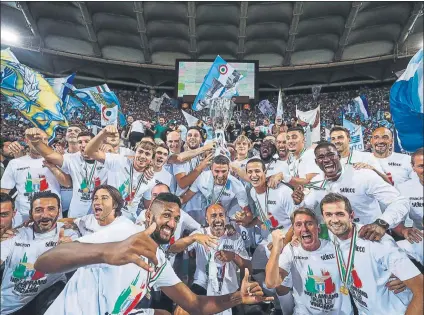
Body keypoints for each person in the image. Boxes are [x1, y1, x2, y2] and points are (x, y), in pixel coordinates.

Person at [35, 193, 272, 315]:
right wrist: (107, 252)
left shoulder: (156, 259)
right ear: (149, 216)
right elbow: (45, 262)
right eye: (166, 215)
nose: (172, 223)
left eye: (177, 219)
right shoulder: (123, 230)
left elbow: (195, 305)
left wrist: (238, 298)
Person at [320, 193, 423, 315]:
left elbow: (421, 290)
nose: (335, 220)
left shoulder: (375, 241)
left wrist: (406, 276)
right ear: (323, 218)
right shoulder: (332, 237)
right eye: (329, 215)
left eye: (340, 214)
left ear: (351, 215)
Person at [292, 141, 409, 241]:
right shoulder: (317, 182)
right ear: (317, 162)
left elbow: (400, 201)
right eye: (321, 157)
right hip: (338, 244)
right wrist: (299, 202)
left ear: (339, 156)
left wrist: (382, 223)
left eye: (330, 155)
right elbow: (308, 211)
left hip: (371, 238)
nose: (326, 160)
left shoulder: (363, 175)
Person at [1, 191, 78, 315]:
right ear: (31, 214)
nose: (45, 215)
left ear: (59, 211)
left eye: (51, 209)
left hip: (46, 298)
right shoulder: (16, 235)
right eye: (38, 210)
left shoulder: (68, 234)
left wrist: (69, 250)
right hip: (10, 307)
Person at [265, 208, 353, 315]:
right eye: (298, 225)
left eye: (309, 223)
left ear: (318, 229)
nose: (304, 229)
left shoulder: (336, 248)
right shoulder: (291, 250)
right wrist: (276, 249)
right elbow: (271, 283)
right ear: (294, 231)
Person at [171, 203, 252, 315]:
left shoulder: (235, 237)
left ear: (226, 217)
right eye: (213, 216)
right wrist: (193, 238)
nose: (218, 219)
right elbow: (173, 248)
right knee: (181, 311)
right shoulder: (200, 234)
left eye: (221, 215)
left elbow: (248, 267)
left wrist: (233, 256)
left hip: (228, 287)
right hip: (203, 283)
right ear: (207, 219)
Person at [25, 128, 108, 218]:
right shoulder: (72, 158)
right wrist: (36, 142)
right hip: (76, 214)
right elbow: (49, 155)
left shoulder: (107, 159)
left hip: (100, 213)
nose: (83, 145)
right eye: (80, 142)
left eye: (87, 141)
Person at [84, 125, 156, 222]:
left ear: (151, 159)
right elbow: (89, 152)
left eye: (147, 154)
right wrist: (102, 133)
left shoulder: (150, 178)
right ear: (135, 152)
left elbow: (147, 203)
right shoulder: (119, 161)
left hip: (128, 221)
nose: (142, 156)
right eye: (140, 152)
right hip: (107, 216)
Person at [1, 128, 70, 226]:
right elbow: (4, 193)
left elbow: (67, 184)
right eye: (37, 139)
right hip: (23, 218)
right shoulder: (15, 163)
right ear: (27, 141)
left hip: (52, 216)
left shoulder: (57, 160)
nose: (41, 142)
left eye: (45, 139)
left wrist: (54, 168)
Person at [180, 155, 253, 226]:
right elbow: (186, 197)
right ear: (211, 169)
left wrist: (244, 218)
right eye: (217, 171)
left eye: (224, 171)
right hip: (202, 213)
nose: (220, 175)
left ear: (229, 170)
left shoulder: (236, 185)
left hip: (224, 217)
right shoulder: (202, 178)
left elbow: (248, 214)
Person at [174, 127, 214, 224]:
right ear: (186, 139)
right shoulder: (180, 158)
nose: (192, 137)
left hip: (204, 206)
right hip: (185, 205)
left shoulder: (208, 157)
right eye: (189, 135)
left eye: (196, 135)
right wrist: (201, 166)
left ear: (201, 139)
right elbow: (182, 183)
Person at [59, 185, 130, 236]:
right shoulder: (87, 220)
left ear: (115, 205)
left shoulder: (125, 227)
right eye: (95, 198)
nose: (97, 202)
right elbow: (73, 221)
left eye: (104, 198)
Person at [394, 147, 424, 266]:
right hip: (420, 239)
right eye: (421, 166)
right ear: (413, 167)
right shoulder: (404, 189)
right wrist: (404, 230)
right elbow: (395, 220)